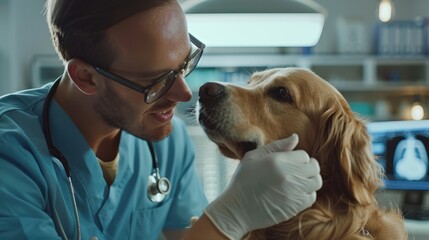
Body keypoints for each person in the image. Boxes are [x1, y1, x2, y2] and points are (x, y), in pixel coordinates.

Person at [0, 0, 322, 239]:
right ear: (86, 77)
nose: (184, 93)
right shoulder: (11, 155)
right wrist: (229, 217)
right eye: (155, 81)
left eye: (184, 65)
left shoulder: (171, 145)